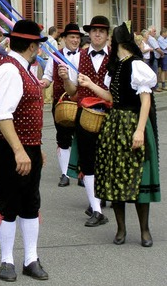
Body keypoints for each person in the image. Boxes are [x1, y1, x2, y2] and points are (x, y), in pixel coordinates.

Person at [77, 21, 159, 247]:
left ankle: (144, 230)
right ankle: (121, 229)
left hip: (132, 123)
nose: (110, 44)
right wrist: (90, 84)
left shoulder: (137, 66)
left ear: (119, 42)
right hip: (114, 125)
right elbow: (110, 97)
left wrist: (140, 130)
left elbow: (145, 100)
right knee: (116, 179)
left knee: (138, 177)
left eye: (112, 40)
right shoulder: (116, 67)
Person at [0, 20, 48, 282]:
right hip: (7, 147)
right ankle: (7, 260)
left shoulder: (23, 68)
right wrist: (20, 151)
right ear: (32, 46)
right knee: (10, 203)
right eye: (38, 45)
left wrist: (35, 148)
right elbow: (2, 115)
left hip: (26, 146)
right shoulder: (11, 70)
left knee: (31, 202)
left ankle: (30, 259)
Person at [59, 15, 111, 227]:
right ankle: (96, 209)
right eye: (94, 30)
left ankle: (103, 196)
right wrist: (65, 79)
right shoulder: (78, 57)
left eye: (101, 31)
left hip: (109, 115)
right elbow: (72, 92)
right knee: (88, 161)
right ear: (89, 34)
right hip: (85, 114)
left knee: (107, 159)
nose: (97, 34)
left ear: (107, 35)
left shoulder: (115, 58)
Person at [40, 23, 83, 187]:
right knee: (63, 138)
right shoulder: (55, 56)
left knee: (81, 137)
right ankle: (65, 173)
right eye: (72, 37)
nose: (75, 40)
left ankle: (81, 172)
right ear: (64, 39)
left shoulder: (86, 56)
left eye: (78, 37)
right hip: (61, 104)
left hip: (81, 103)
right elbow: (48, 76)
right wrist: (42, 83)